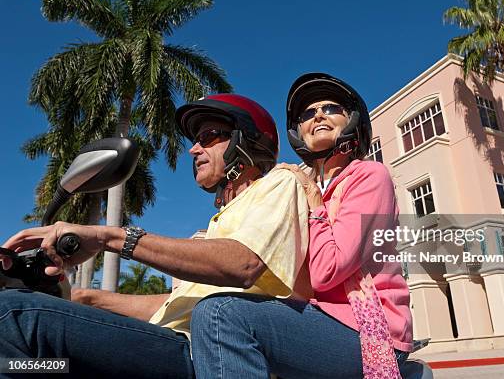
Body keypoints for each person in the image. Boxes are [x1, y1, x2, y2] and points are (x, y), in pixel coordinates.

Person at [0, 94, 310, 378]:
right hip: (166, 346)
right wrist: (84, 298)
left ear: (246, 141)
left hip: (202, 354)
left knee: (14, 315)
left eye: (208, 137)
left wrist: (109, 238)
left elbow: (244, 264)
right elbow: (178, 304)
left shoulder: (277, 184)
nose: (193, 149)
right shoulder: (215, 225)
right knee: (38, 365)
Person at [189, 73, 414, 378]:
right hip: (316, 320)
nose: (319, 115)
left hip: (368, 330)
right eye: (308, 114)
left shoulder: (369, 176)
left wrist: (315, 203)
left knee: (221, 313)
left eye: (331, 108)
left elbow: (328, 271)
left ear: (352, 121)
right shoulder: (295, 184)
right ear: (298, 132)